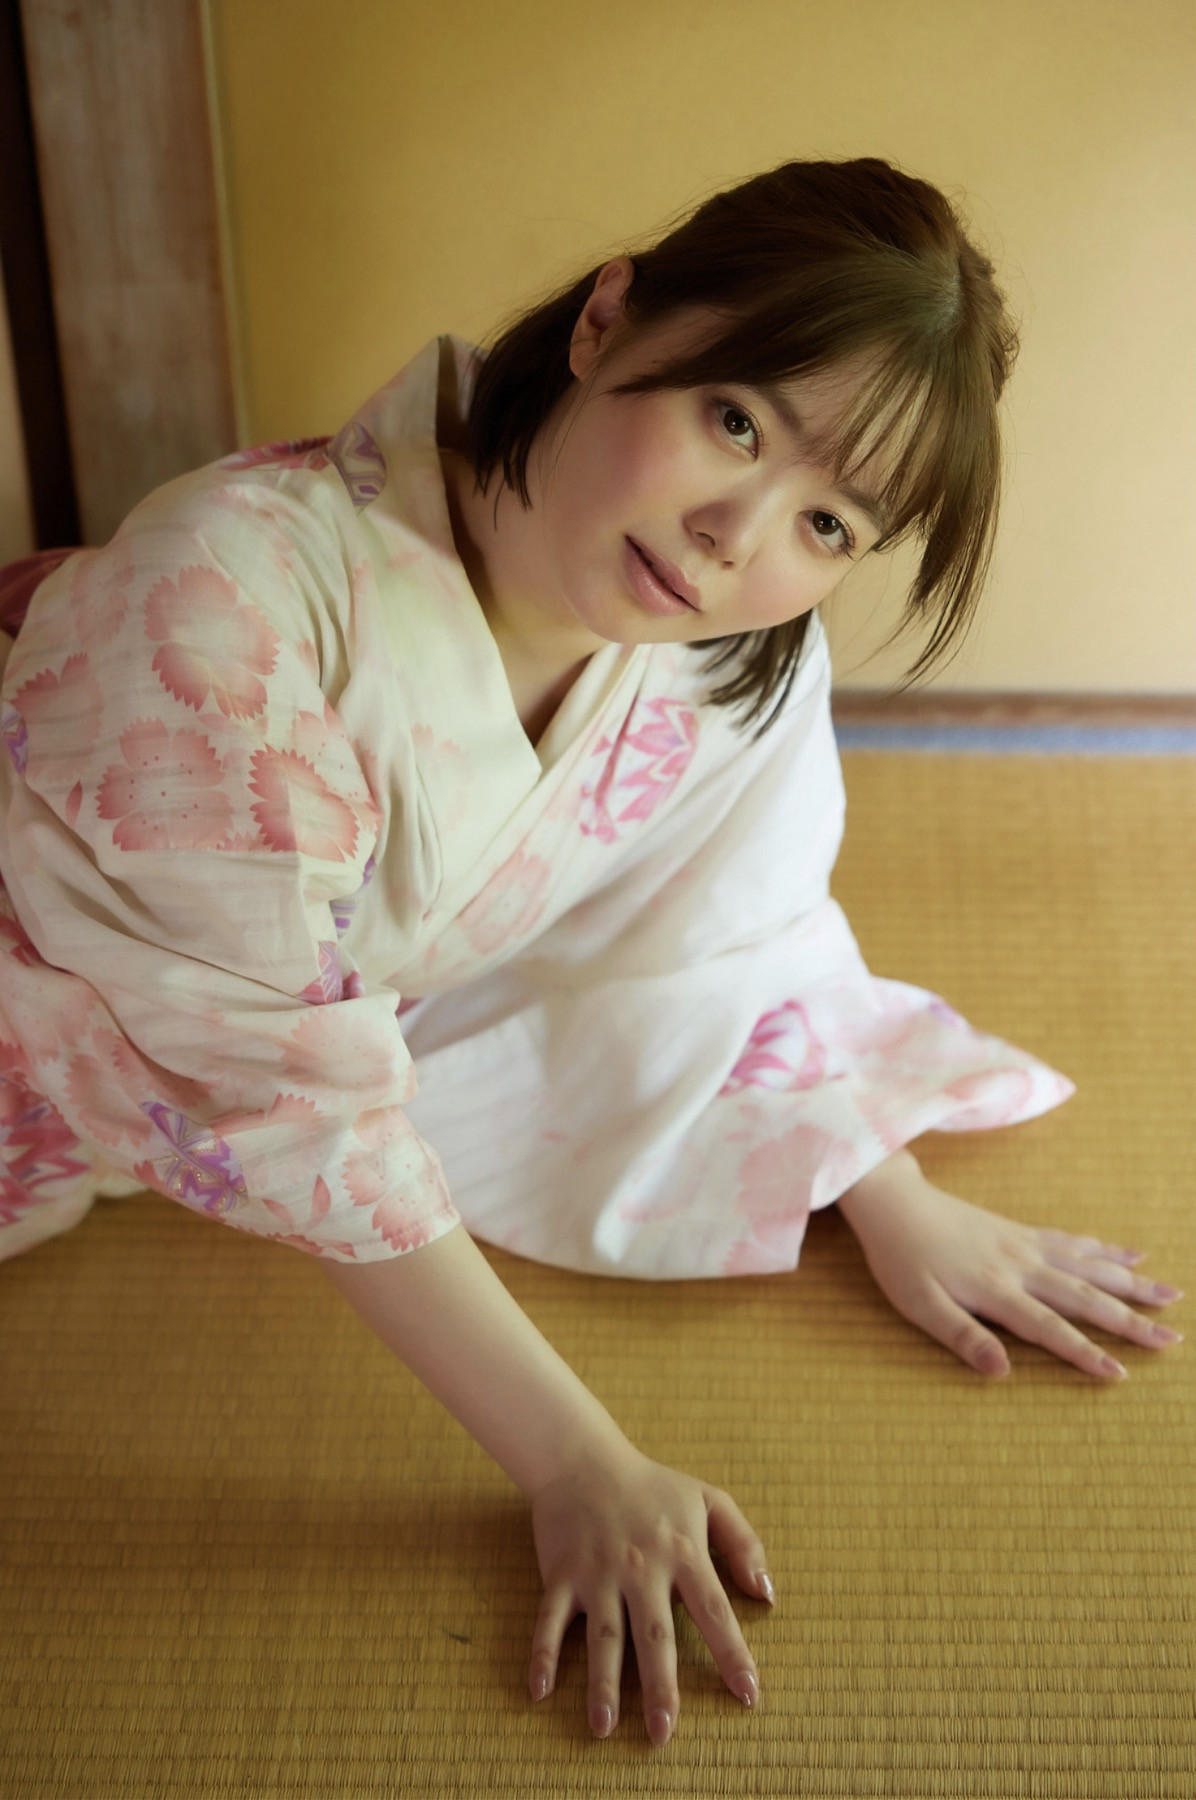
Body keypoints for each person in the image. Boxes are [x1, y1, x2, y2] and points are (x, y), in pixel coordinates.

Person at [0, 157, 1182, 1748]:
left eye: (827, 520)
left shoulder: (725, 659)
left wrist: (871, 1172)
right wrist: (576, 1462)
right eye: (737, 420)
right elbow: (290, 1105)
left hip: (162, 1088)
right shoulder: (219, 608)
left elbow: (726, 925)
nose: (733, 538)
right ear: (610, 316)